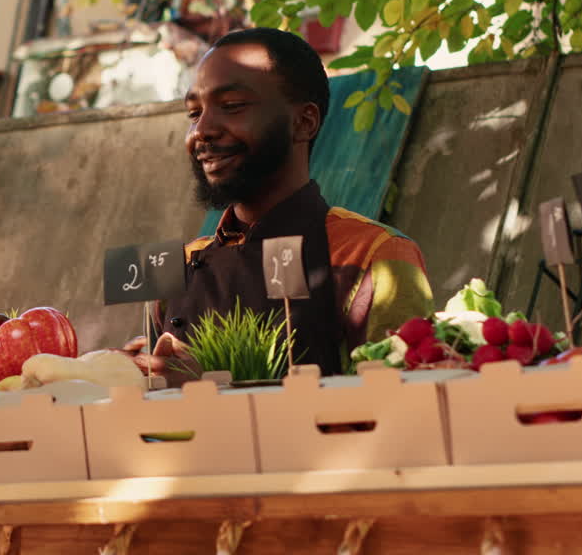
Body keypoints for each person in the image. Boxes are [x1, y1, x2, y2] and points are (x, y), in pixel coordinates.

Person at [127, 28, 433, 379]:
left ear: (303, 122)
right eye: (194, 113)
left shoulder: (376, 256)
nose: (201, 130)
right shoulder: (175, 267)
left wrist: (213, 388)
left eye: (232, 106)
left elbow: (401, 412)